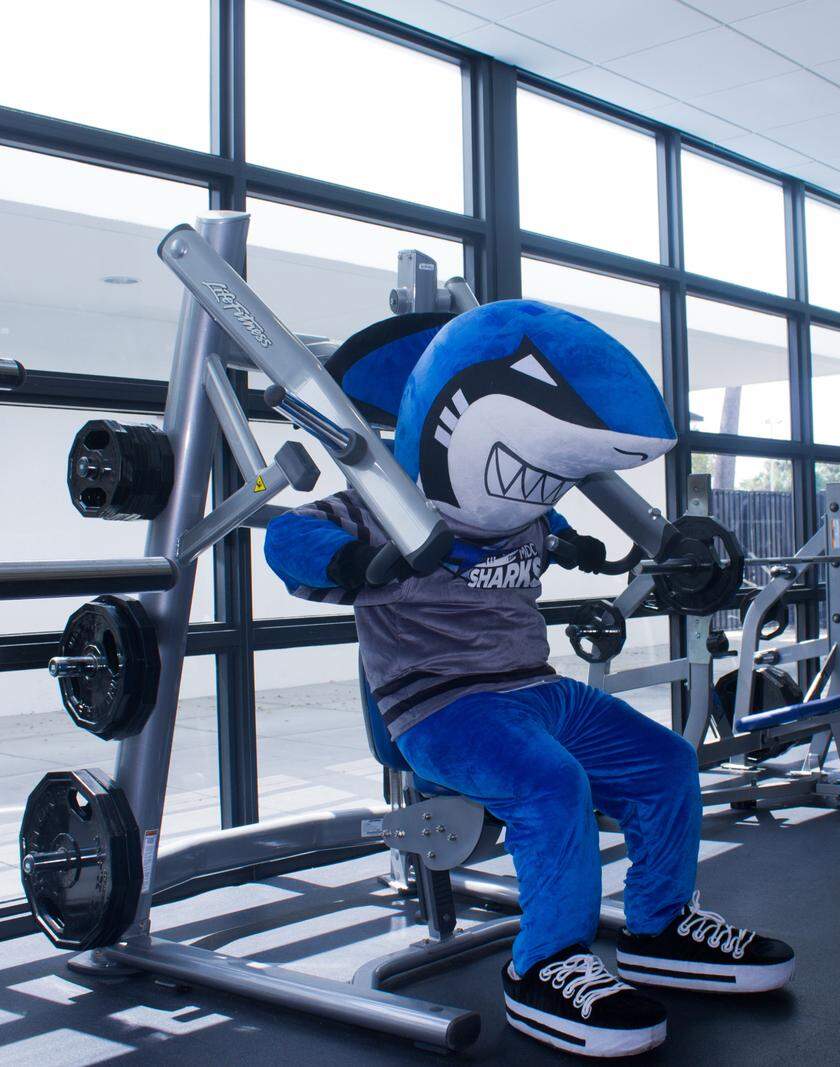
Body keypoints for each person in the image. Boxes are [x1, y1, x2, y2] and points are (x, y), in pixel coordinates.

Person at [265, 300, 794, 1058]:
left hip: (538, 690)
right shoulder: (379, 507)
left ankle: (659, 923)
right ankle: (545, 962)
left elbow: (550, 526)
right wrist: (350, 563)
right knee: (550, 786)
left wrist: (578, 546)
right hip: (442, 706)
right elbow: (288, 537)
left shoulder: (522, 509)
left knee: (667, 763)